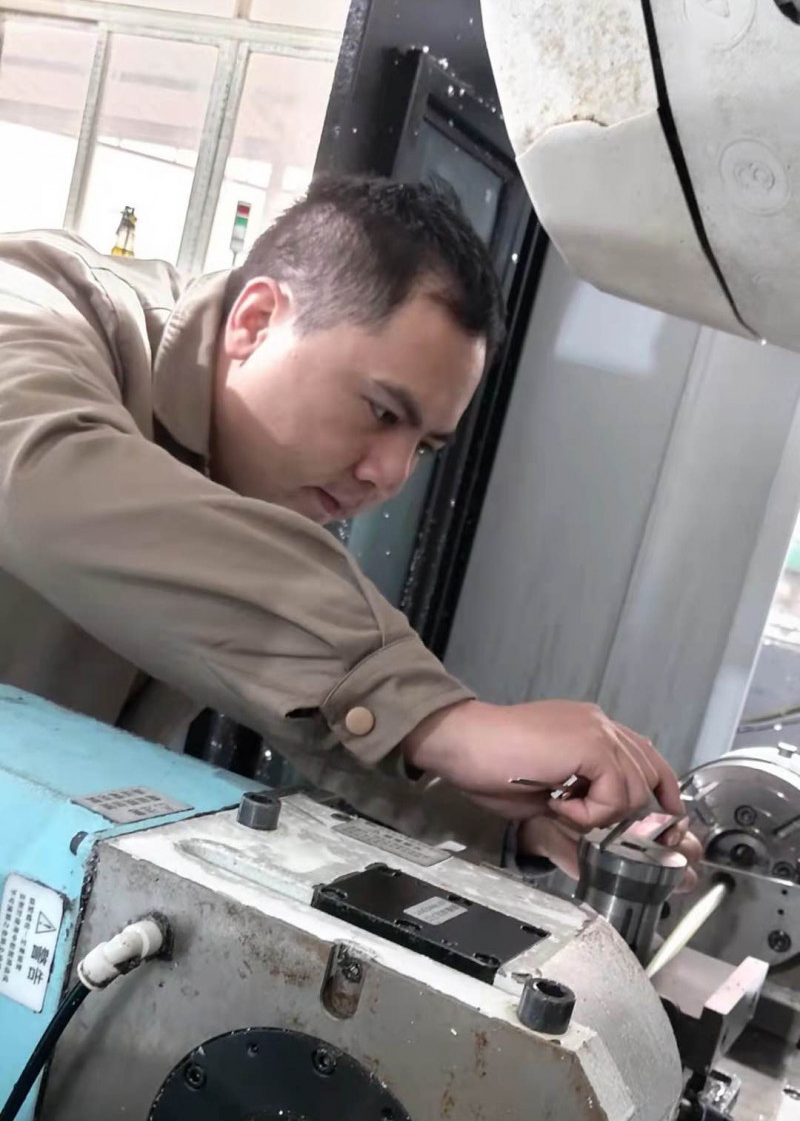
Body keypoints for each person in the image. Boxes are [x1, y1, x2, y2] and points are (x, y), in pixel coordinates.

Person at [0, 175, 699, 880]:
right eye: (383, 412)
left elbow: (327, 715)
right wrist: (445, 721)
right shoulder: (36, 302)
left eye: (424, 447)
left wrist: (529, 812)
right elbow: (46, 482)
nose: (390, 475)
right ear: (254, 321)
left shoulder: (255, 497)